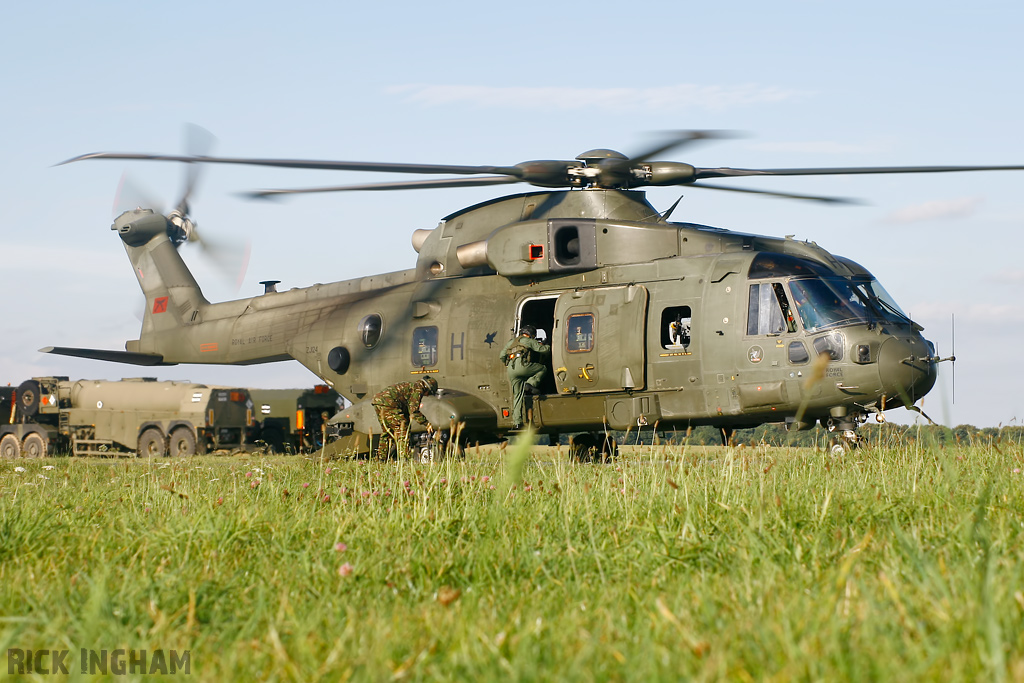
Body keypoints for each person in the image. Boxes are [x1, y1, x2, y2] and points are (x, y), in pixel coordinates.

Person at [370, 376, 438, 458]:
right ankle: (404, 458)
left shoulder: (411, 386)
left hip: (378, 401)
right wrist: (426, 424)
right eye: (429, 393)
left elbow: (406, 408)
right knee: (402, 429)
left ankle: (381, 459)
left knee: (387, 431)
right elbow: (414, 411)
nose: (427, 396)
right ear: (427, 388)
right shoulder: (418, 390)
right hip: (389, 403)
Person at [500, 325, 550, 430]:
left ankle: (517, 423)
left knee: (517, 396)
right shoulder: (528, 340)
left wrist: (507, 363)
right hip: (523, 366)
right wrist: (548, 345)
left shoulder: (511, 342)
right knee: (543, 368)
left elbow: (502, 356)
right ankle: (531, 383)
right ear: (531, 335)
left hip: (511, 370)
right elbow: (543, 350)